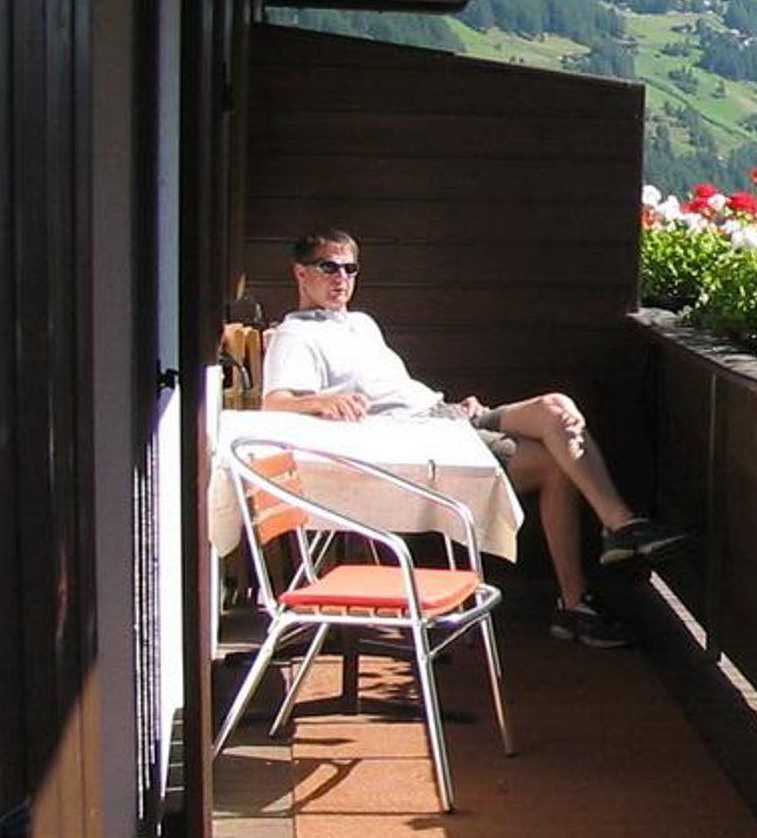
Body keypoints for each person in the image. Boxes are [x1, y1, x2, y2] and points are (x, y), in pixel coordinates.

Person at [260, 228, 680, 648]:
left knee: (558, 407)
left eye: (350, 269)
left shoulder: (361, 323)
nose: (341, 278)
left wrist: (456, 407)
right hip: (423, 441)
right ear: (300, 273)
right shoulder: (296, 335)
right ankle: (580, 595)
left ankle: (618, 527)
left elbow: (395, 390)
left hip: (446, 415)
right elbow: (274, 402)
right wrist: (321, 401)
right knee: (555, 466)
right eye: (329, 267)